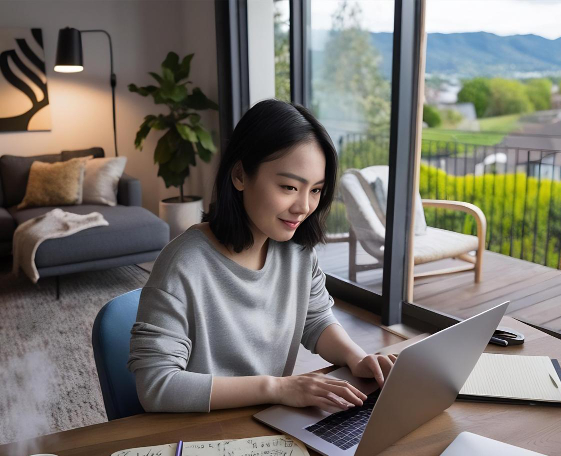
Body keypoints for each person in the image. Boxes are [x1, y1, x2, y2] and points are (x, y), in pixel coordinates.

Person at [128, 99, 398, 413]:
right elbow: (156, 386)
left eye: (315, 190)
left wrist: (357, 358)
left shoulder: (297, 252)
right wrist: (278, 387)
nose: (304, 207)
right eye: (288, 187)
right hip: (203, 432)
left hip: (269, 421)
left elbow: (316, 320)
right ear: (240, 175)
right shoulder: (183, 264)